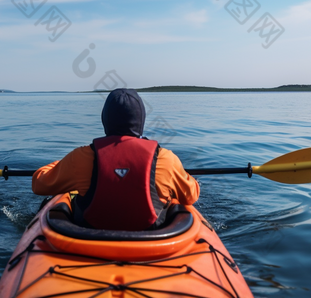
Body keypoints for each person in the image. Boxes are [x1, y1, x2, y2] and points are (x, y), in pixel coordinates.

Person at [32, 88, 199, 231]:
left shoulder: (81, 157)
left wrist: (59, 164)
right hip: (152, 240)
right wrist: (184, 175)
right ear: (141, 120)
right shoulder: (167, 159)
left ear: (105, 120)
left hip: (88, 238)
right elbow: (191, 196)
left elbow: (39, 185)